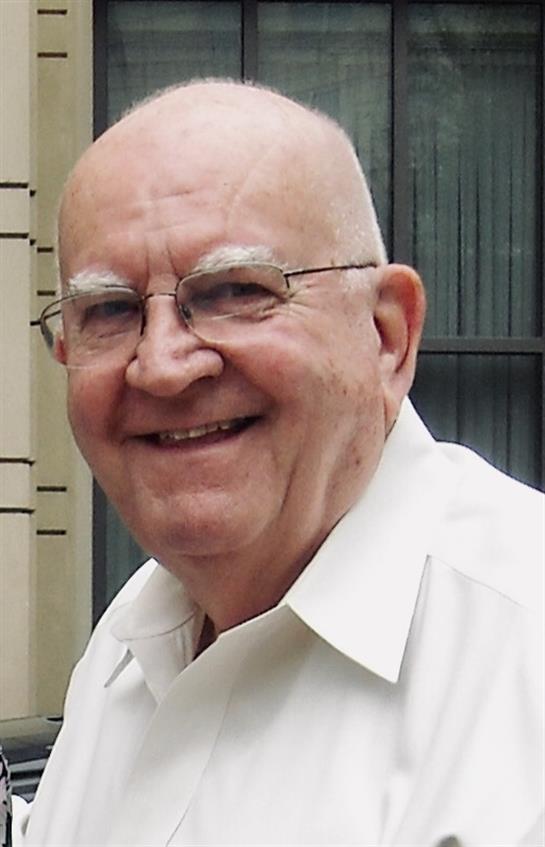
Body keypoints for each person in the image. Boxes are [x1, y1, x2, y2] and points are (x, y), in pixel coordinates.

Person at [12, 79, 543, 846]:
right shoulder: (129, 641)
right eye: (110, 310)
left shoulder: (519, 661)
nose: (161, 364)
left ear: (387, 335)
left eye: (233, 290)